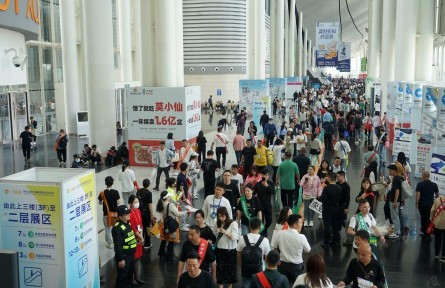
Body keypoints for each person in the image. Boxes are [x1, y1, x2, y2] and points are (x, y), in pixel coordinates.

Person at [274, 214, 311, 285]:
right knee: (297, 285)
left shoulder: (280, 233)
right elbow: (308, 250)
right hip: (296, 267)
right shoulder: (301, 237)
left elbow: (275, 247)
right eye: (300, 223)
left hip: (282, 266)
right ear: (294, 225)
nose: (301, 224)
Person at [237, 218, 271, 288]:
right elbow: (267, 258)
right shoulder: (265, 240)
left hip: (245, 269)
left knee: (245, 285)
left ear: (249, 226)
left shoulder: (242, 238)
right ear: (260, 227)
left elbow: (238, 255)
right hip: (260, 270)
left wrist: (241, 265)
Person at [157, 191, 190, 262]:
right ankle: (169, 257)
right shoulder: (170, 205)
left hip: (164, 224)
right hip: (171, 224)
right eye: (169, 196)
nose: (170, 197)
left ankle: (161, 253)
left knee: (164, 239)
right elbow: (178, 214)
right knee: (171, 241)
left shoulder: (162, 204)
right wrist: (186, 212)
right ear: (167, 197)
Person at [111, 205, 138, 288]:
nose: (128, 215)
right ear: (120, 217)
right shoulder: (117, 228)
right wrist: (120, 259)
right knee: (122, 278)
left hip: (131, 255)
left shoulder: (127, 223)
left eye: (128, 213)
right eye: (126, 214)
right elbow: (118, 245)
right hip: (124, 257)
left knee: (129, 275)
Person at [213, 207, 239, 287]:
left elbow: (235, 237)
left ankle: (229, 286)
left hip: (230, 250)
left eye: (223, 216)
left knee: (230, 271)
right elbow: (215, 234)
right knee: (220, 270)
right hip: (220, 250)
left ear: (226, 215)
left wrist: (225, 232)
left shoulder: (233, 223)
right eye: (219, 216)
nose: (221, 218)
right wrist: (217, 232)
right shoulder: (216, 223)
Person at [127, 195, 146, 285]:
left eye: (137, 201)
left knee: (138, 257)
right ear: (130, 204)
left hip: (139, 237)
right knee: (133, 259)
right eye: (135, 202)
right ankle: (131, 278)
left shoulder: (138, 211)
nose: (137, 203)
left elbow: (140, 224)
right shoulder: (129, 213)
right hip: (133, 238)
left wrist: (141, 236)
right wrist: (140, 237)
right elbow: (133, 227)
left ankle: (137, 277)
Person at [320, 172, 342, 248]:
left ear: (329, 178)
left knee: (327, 227)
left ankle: (326, 243)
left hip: (327, 210)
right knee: (335, 226)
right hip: (336, 209)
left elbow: (322, 198)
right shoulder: (339, 187)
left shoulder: (326, 188)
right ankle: (335, 242)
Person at [98, 176, 121, 249]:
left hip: (106, 214)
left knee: (107, 228)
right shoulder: (116, 192)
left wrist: (104, 203)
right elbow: (118, 202)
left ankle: (110, 243)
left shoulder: (102, 193)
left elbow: (100, 202)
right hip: (114, 214)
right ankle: (116, 240)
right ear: (112, 183)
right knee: (115, 227)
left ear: (105, 183)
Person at [416, 171, 439, 240]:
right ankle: (428, 232)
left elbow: (418, 195)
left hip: (422, 204)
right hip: (430, 205)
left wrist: (417, 203)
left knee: (423, 218)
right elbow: (437, 195)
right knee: (428, 218)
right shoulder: (434, 185)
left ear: (423, 176)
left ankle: (425, 232)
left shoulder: (420, 184)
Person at [253, 169, 275, 237]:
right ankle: (262, 233)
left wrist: (267, 186)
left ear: (268, 176)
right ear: (261, 175)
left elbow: (273, 192)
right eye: (263, 175)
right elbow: (253, 193)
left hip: (268, 205)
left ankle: (265, 229)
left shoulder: (271, 183)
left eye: (266, 175)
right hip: (259, 205)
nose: (265, 176)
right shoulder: (258, 184)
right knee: (261, 221)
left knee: (270, 220)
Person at [386, 164, 403, 239]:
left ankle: (396, 232)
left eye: (390, 170)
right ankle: (397, 230)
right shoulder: (397, 178)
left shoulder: (396, 179)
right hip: (394, 200)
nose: (389, 172)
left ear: (394, 171)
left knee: (395, 216)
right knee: (395, 215)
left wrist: (395, 202)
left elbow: (397, 191)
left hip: (394, 200)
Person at [136, 179, 154, 250]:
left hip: (139, 212)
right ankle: (147, 243)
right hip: (146, 213)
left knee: (140, 227)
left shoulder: (138, 191)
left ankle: (140, 241)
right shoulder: (149, 193)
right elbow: (150, 204)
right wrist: (152, 214)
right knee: (147, 228)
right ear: (149, 185)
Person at [431, 193, 445, 262]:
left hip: (438, 223)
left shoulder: (438, 199)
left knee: (438, 239)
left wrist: (431, 219)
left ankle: (436, 254)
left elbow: (432, 210)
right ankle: (443, 257)